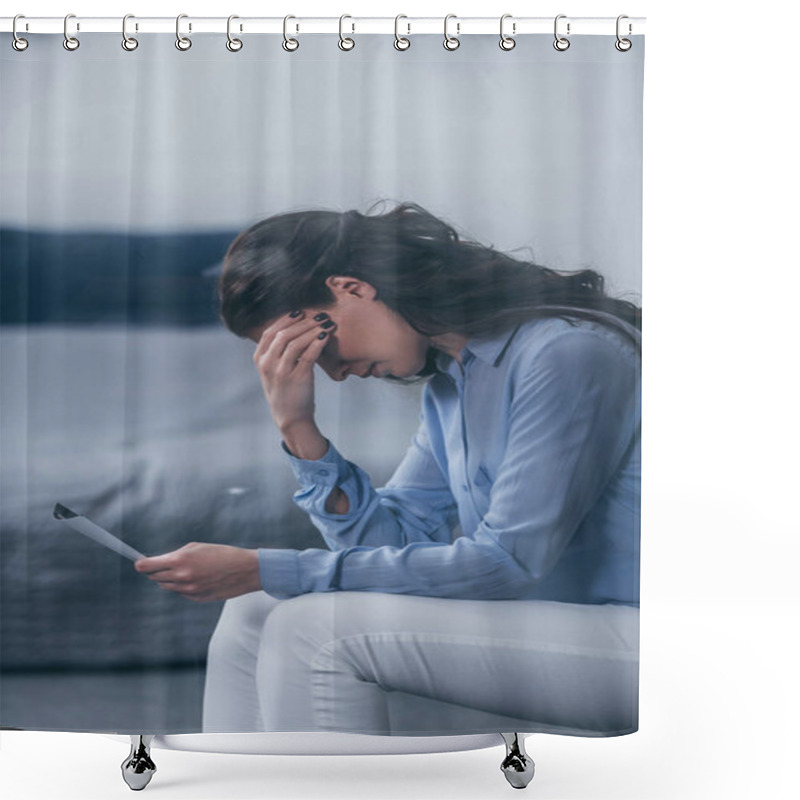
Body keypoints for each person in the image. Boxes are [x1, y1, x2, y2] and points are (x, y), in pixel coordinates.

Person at [134, 201, 641, 736]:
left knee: (313, 627)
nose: (328, 372)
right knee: (253, 609)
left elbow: (505, 564)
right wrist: (298, 427)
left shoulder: (566, 353)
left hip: (650, 637)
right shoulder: (452, 385)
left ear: (352, 289)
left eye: (312, 344)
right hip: (571, 624)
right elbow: (392, 545)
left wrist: (269, 565)